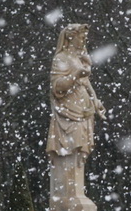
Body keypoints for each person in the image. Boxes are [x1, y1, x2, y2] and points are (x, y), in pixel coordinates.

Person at [46, 23, 107, 166]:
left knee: (78, 158)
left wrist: (95, 102)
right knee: (67, 155)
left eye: (85, 38)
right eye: (81, 38)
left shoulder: (79, 59)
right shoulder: (61, 58)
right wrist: (76, 74)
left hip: (83, 112)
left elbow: (86, 84)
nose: (84, 41)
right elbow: (57, 86)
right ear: (70, 37)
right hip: (68, 112)